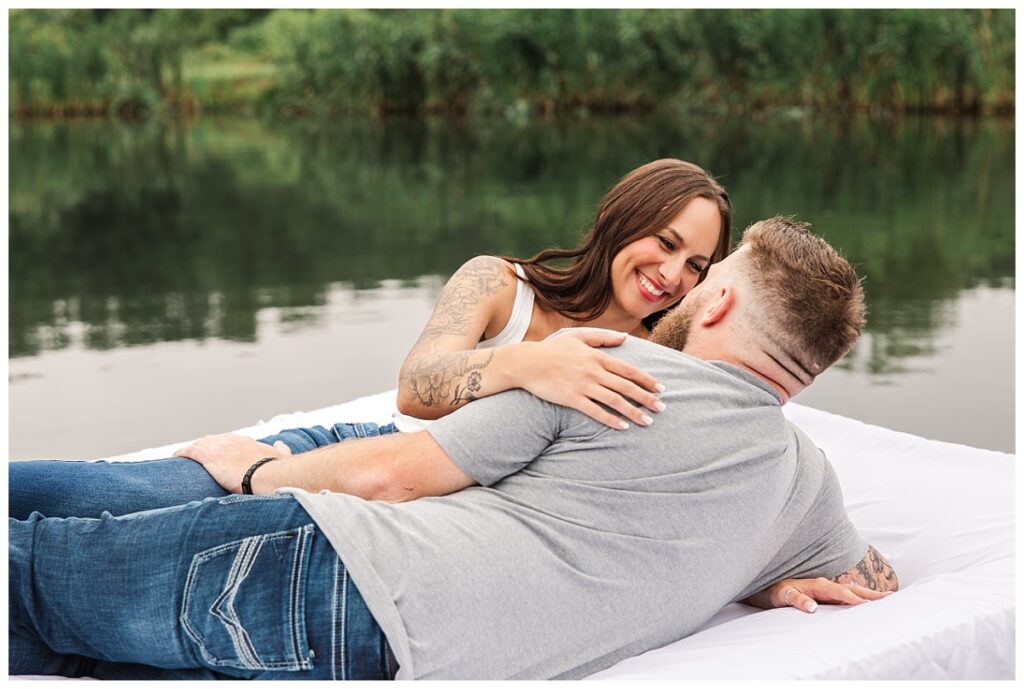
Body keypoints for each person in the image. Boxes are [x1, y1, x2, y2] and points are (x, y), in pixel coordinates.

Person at [10, 217, 899, 680]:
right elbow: (869, 578)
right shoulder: (805, 485)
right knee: (60, 638)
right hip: (385, 653)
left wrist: (249, 466)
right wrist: (763, 572)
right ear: (806, 373)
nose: (687, 283)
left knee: (33, 574)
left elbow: (393, 476)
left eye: (711, 273)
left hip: (334, 567)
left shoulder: (613, 367)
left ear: (716, 308)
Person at [9, 158, 732, 520]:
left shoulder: (667, 355)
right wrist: (533, 362)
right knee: (122, 492)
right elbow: (416, 389)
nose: (671, 273)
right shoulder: (499, 285)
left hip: (434, 517)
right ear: (622, 218)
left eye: (695, 264)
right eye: (664, 242)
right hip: (367, 451)